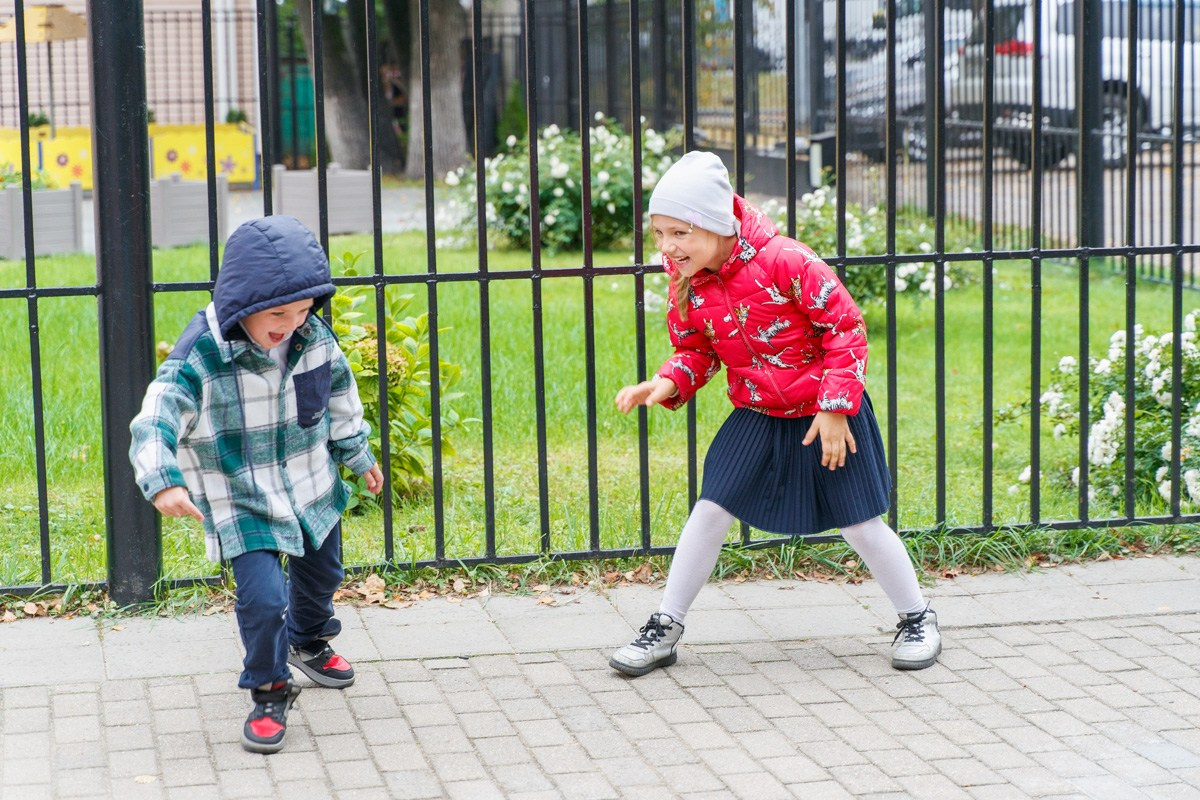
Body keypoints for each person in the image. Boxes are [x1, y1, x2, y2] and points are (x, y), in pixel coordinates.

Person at [609, 151, 940, 677]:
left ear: (717, 226)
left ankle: (918, 617)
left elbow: (846, 330)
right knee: (711, 508)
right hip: (759, 411)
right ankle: (665, 625)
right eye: (659, 234)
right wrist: (666, 380)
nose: (667, 248)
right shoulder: (688, 280)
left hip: (824, 411)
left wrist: (835, 411)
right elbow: (697, 350)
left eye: (680, 233)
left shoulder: (786, 260)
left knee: (860, 524)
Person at [129, 215, 384, 754]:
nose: (289, 324)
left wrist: (357, 454)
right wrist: (162, 480)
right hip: (241, 495)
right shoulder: (203, 351)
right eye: (277, 314)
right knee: (264, 599)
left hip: (308, 484)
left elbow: (340, 396)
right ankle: (269, 688)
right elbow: (157, 416)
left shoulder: (311, 334)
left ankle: (309, 640)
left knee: (324, 572)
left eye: (300, 311)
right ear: (243, 303)